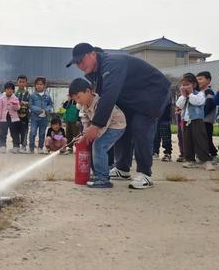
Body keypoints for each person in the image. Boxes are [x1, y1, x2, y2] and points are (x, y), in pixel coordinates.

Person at [67, 43, 170, 189]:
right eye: (76, 63)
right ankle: (122, 168)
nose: (79, 65)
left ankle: (145, 173)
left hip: (152, 93)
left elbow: (109, 95)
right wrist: (88, 127)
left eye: (81, 60)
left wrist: (96, 126)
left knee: (140, 127)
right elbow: (100, 101)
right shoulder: (94, 74)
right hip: (131, 98)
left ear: (92, 54)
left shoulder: (112, 64)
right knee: (121, 125)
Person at [69, 78, 126, 188]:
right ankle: (98, 173)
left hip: (116, 125)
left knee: (99, 145)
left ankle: (103, 178)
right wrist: (85, 132)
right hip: (103, 126)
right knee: (94, 144)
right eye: (75, 99)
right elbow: (85, 118)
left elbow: (104, 123)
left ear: (88, 91)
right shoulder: (84, 104)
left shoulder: (100, 104)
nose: (78, 101)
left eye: (79, 97)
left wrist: (92, 135)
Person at [175, 73, 215, 171]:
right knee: (187, 141)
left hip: (197, 120)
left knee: (200, 140)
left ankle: (206, 161)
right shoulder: (182, 96)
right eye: (183, 85)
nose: (185, 87)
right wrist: (184, 96)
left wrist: (190, 93)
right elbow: (179, 105)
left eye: (187, 84)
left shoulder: (199, 94)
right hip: (186, 121)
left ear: (194, 84)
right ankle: (190, 160)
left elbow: (196, 102)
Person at [196, 71, 219, 161]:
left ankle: (214, 155)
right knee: (201, 139)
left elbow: (210, 104)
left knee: (207, 139)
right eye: (197, 79)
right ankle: (203, 156)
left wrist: (202, 114)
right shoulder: (198, 92)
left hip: (206, 120)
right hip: (200, 119)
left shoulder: (208, 91)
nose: (198, 81)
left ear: (208, 80)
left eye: (201, 79)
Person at [29, 77, 53, 154]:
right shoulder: (32, 95)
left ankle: (40, 147)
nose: (39, 86)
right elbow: (30, 105)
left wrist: (46, 110)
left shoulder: (47, 96)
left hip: (44, 118)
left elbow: (50, 105)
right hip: (34, 118)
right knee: (33, 132)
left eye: (41, 84)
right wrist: (38, 110)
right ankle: (31, 148)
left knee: (42, 133)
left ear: (44, 85)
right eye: (37, 84)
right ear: (35, 85)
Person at [0, 82, 20, 153]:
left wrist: (14, 105)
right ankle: (3, 146)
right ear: (5, 90)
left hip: (14, 119)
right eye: (7, 89)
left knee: (14, 133)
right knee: (3, 133)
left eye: (11, 89)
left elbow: (18, 108)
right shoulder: (1, 98)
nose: (9, 90)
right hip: (4, 119)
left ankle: (16, 147)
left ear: (13, 90)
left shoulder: (15, 98)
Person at [15, 75, 30, 153]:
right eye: (20, 82)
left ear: (26, 83)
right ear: (17, 82)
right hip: (15, 116)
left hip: (25, 116)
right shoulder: (14, 93)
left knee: (24, 131)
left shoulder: (28, 94)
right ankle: (16, 145)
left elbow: (30, 103)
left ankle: (23, 146)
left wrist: (25, 103)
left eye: (23, 82)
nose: (21, 83)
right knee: (15, 131)